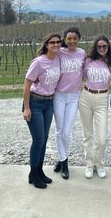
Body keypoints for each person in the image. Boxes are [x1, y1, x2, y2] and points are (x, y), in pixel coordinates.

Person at [22, 33, 61, 189]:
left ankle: (39, 171)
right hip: (35, 102)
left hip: (49, 103)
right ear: (46, 44)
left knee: (44, 139)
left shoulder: (57, 59)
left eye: (58, 42)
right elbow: (26, 84)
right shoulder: (38, 62)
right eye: (52, 42)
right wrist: (26, 107)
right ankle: (33, 173)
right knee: (38, 140)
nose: (56, 44)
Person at [53, 27, 86, 180]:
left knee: (67, 131)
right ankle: (64, 162)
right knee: (59, 130)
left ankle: (62, 159)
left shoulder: (82, 53)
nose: (72, 41)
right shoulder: (59, 52)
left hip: (74, 97)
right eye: (69, 38)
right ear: (64, 40)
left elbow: (85, 72)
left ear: (78, 39)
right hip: (59, 95)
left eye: (74, 38)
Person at [79, 35, 111, 179]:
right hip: (86, 97)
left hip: (102, 98)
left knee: (102, 138)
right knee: (88, 134)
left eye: (104, 46)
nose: (102, 49)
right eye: (99, 46)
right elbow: (76, 75)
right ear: (95, 47)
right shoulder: (88, 60)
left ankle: (99, 163)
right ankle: (89, 164)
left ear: (108, 47)